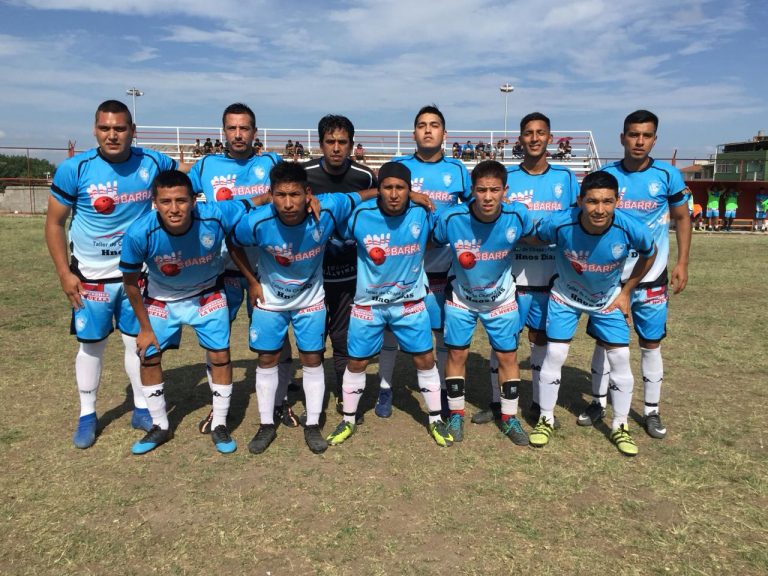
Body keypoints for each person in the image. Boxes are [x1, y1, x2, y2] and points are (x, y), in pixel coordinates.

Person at [45, 99, 178, 449]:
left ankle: (141, 409)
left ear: (133, 131)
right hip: (90, 277)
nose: (112, 135)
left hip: (137, 275)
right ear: (95, 130)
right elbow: (54, 223)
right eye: (105, 128)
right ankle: (87, 415)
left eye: (120, 128)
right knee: (92, 346)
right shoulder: (75, 169)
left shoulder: (155, 162)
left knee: (137, 343)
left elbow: (185, 181)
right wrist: (64, 273)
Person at [232, 162, 380, 454]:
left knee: (312, 359)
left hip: (310, 301)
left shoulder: (329, 209)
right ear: (271, 195)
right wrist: (252, 281)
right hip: (270, 302)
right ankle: (266, 424)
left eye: (295, 195)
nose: (288, 203)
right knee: (267, 358)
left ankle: (313, 424)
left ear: (308, 193)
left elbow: (366, 194)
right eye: (281, 195)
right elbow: (233, 242)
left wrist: (410, 195)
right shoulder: (257, 222)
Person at [120, 170, 253, 454]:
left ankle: (219, 423)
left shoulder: (215, 215)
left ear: (194, 200)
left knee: (220, 356)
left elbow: (255, 201)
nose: (174, 208)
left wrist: (308, 199)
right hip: (161, 299)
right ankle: (160, 425)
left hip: (207, 295)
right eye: (165, 201)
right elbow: (130, 284)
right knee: (149, 357)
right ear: (154, 203)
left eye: (181, 200)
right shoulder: (138, 232)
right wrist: (145, 329)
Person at [581, 110, 691, 440]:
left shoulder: (667, 175)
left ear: (654, 139)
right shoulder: (605, 175)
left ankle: (651, 411)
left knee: (650, 343)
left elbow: (682, 218)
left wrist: (682, 262)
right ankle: (598, 402)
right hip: (611, 279)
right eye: (633, 134)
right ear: (622, 138)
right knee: (605, 342)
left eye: (646, 135)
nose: (639, 141)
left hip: (651, 277)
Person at [529, 170, 657, 455]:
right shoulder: (560, 222)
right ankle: (545, 418)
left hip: (606, 300)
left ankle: (620, 426)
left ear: (617, 201)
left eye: (607, 202)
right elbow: (534, 238)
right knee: (555, 354)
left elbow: (650, 253)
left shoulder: (632, 228)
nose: (600, 209)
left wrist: (627, 292)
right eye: (592, 201)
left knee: (620, 358)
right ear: (580, 201)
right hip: (566, 297)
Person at [325, 162, 452, 447]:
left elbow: (445, 230)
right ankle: (347, 420)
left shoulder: (423, 212)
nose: (394, 194)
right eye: (388, 187)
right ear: (379, 189)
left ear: (410, 189)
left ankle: (435, 419)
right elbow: (333, 224)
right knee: (357, 362)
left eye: (400, 188)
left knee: (425, 359)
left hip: (409, 303)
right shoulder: (360, 215)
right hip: (368, 304)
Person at [187, 103, 296, 431]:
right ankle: (218, 405)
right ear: (223, 131)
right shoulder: (205, 166)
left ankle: (280, 401)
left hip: (267, 269)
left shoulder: (271, 163)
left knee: (277, 338)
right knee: (216, 340)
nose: (238, 134)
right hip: (220, 269)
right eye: (232, 128)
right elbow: (180, 199)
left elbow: (293, 193)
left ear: (254, 132)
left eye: (244, 128)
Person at [471, 113, 579, 426]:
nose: (534, 138)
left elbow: (574, 220)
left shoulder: (565, 178)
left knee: (540, 340)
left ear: (550, 138)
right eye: (528, 133)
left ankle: (537, 404)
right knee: (503, 342)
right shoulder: (507, 178)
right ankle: (496, 402)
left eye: (540, 132)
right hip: (510, 276)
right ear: (520, 139)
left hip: (549, 275)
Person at [382, 105, 472, 419]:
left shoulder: (458, 169)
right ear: (414, 133)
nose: (428, 130)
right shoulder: (399, 166)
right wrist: (411, 196)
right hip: (402, 266)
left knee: (442, 333)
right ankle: (385, 389)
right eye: (422, 125)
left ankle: (446, 391)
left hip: (443, 266)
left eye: (434, 125)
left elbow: (471, 209)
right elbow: (383, 200)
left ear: (444, 133)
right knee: (391, 333)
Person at [434, 160, 533, 445]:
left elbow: (538, 238)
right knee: (456, 355)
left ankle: (509, 417)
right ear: (472, 191)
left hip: (501, 300)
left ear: (505, 190)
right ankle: (455, 415)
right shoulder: (452, 218)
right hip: (461, 298)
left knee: (507, 357)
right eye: (481, 190)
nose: (488, 197)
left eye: (494, 190)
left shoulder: (518, 215)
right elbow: (431, 242)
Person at [304, 115, 377, 418]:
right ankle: (314, 398)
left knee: (343, 339)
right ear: (320, 144)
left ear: (351, 145)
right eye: (330, 142)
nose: (336, 148)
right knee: (313, 342)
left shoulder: (365, 176)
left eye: (342, 142)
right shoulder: (304, 174)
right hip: (312, 276)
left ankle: (343, 394)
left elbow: (382, 200)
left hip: (350, 274)